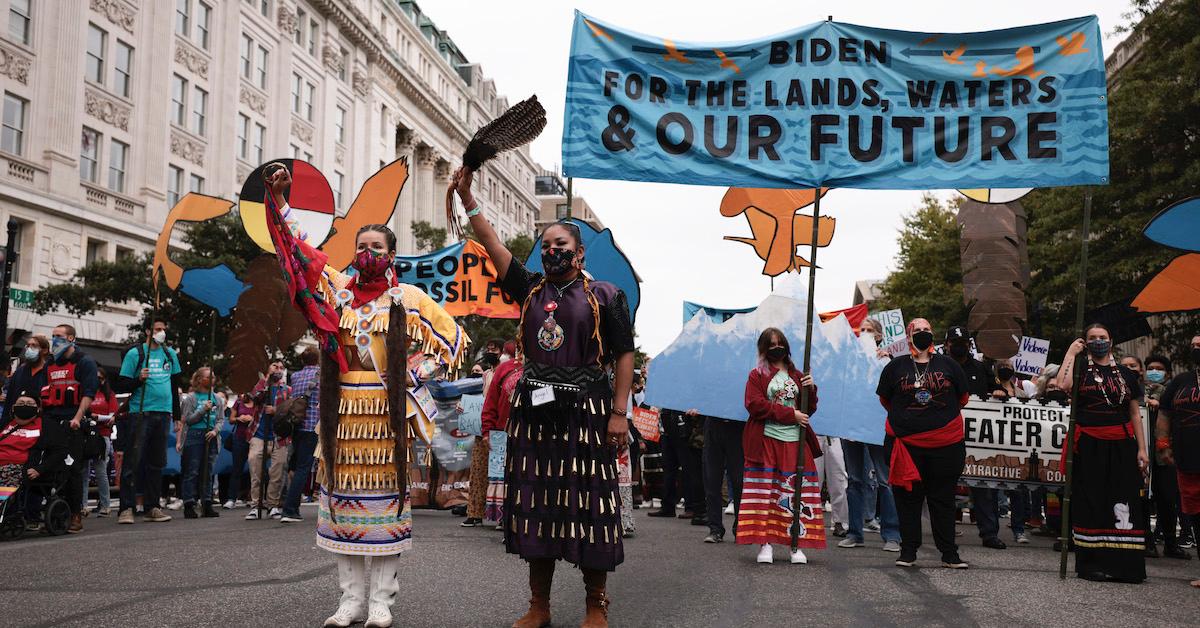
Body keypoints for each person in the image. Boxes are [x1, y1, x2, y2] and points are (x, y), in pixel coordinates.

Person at [265, 163, 469, 628]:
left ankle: (381, 601)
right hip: (340, 414)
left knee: (384, 506)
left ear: (392, 254)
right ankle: (350, 600)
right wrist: (279, 203)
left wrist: (420, 370)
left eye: (376, 246)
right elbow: (301, 254)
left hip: (383, 415)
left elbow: (455, 338)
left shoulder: (409, 298)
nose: (366, 252)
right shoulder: (337, 291)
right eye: (361, 246)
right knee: (342, 505)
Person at [455, 165, 635, 628]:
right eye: (547, 244)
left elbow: (623, 355)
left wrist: (619, 414)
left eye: (562, 245)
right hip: (535, 414)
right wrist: (468, 198)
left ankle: (597, 604)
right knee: (538, 507)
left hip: (589, 412)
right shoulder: (531, 289)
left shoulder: (605, 295)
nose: (553, 250)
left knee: (589, 506)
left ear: (579, 253)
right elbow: (493, 245)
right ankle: (540, 605)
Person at [1057, 323, 1147, 583]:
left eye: (1103, 337)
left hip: (1121, 443)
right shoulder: (1081, 369)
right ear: (1086, 342)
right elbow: (1062, 384)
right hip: (1090, 444)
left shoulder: (1126, 375)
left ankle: (1125, 565)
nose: (1098, 341)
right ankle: (1091, 564)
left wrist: (1142, 449)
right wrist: (1071, 354)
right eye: (1093, 338)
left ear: (1111, 340)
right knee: (1091, 500)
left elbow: (1134, 414)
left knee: (1123, 502)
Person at [877, 319, 970, 569]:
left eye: (927, 330)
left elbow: (962, 398)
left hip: (946, 444)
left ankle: (949, 553)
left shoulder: (948, 364)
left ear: (933, 334)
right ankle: (908, 551)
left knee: (943, 500)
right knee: (908, 499)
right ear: (909, 336)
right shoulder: (896, 367)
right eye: (917, 331)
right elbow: (885, 399)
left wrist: (935, 422)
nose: (922, 334)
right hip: (906, 445)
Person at [735, 327, 824, 565]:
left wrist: (811, 389)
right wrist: (789, 415)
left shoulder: (798, 374)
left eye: (780, 343)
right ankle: (765, 543)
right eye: (771, 344)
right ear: (764, 348)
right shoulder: (757, 374)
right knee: (766, 493)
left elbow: (809, 409)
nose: (777, 348)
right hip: (766, 441)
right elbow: (754, 404)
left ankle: (796, 544)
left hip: (795, 442)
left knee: (795, 492)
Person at [838, 319, 901, 553]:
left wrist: (889, 360)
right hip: (852, 427)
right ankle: (855, 533)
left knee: (885, 480)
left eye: (869, 330)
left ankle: (892, 534)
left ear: (878, 336)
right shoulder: (849, 361)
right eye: (861, 330)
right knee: (855, 480)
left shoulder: (886, 363)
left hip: (878, 429)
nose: (863, 333)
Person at [115, 320, 180, 525]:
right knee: (133, 461)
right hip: (140, 413)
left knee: (156, 462)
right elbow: (122, 383)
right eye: (158, 329)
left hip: (164, 413)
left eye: (164, 329)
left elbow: (175, 385)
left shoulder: (170, 354)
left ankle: (153, 506)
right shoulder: (136, 354)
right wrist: (138, 380)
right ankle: (126, 507)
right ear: (147, 331)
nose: (162, 333)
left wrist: (177, 416)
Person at [40, 324, 100, 534]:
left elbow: (89, 393)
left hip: (73, 423)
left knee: (72, 469)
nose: (55, 340)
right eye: (53, 336)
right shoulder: (50, 364)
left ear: (72, 339)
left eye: (59, 336)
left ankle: (75, 514)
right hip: (52, 421)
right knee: (49, 468)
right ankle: (51, 512)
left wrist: (77, 418)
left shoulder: (85, 362)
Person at [1157, 334, 1200, 587]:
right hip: (1187, 459)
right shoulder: (1180, 382)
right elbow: (1164, 414)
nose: (1197, 348)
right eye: (1194, 345)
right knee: (1195, 514)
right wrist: (1163, 445)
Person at [1141, 353, 1189, 559]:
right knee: (1142, 499)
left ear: (1167, 374)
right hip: (1143, 455)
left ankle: (1170, 542)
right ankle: (1147, 542)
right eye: (1150, 368)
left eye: (1159, 369)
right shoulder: (1136, 392)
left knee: (1167, 499)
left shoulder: (1175, 392)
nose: (1154, 372)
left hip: (1164, 455)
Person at [480, 353, 524, 527]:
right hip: (503, 433)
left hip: (533, 433)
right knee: (505, 477)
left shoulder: (545, 365)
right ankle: (505, 520)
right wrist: (487, 430)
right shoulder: (505, 368)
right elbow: (491, 401)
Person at [245, 361, 290, 520]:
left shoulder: (287, 390)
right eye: (274, 366)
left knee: (276, 473)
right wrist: (267, 380)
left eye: (280, 367)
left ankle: (273, 505)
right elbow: (254, 397)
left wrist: (277, 410)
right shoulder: (260, 385)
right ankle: (255, 505)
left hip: (279, 437)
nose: (278, 369)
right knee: (255, 471)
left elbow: (291, 410)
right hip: (259, 435)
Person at [282, 347, 322, 523]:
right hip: (312, 424)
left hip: (296, 423)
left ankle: (288, 501)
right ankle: (290, 509)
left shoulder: (296, 376)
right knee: (304, 468)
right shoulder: (321, 375)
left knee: (295, 465)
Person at [179, 367, 224, 519]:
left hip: (210, 436)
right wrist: (203, 410)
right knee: (192, 471)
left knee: (208, 471)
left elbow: (220, 418)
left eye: (213, 376)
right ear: (199, 379)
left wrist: (215, 431)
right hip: (194, 436)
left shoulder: (217, 398)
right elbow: (188, 420)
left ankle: (207, 503)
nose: (212, 379)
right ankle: (189, 503)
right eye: (208, 376)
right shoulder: (191, 398)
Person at [702, 408, 745, 544]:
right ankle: (715, 529)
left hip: (737, 426)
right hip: (713, 424)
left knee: (739, 481)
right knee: (712, 481)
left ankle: (740, 528)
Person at [80, 368, 116, 517]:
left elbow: (113, 416)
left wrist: (97, 417)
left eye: (100, 378)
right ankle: (82, 506)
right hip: (85, 435)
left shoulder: (109, 395)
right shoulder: (86, 394)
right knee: (83, 472)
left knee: (101, 471)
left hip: (102, 436)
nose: (98, 381)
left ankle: (106, 505)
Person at [2, 335, 49, 428]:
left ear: (44, 350)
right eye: (28, 346)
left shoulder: (49, 372)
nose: (29, 349)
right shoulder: (20, 371)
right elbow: (10, 398)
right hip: (16, 422)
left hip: (39, 423)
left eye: (34, 346)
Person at [224, 393, 257, 509]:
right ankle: (231, 498)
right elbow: (231, 419)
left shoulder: (259, 401)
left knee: (255, 469)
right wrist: (239, 418)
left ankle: (252, 498)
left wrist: (252, 419)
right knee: (237, 468)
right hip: (240, 438)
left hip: (255, 438)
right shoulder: (239, 402)